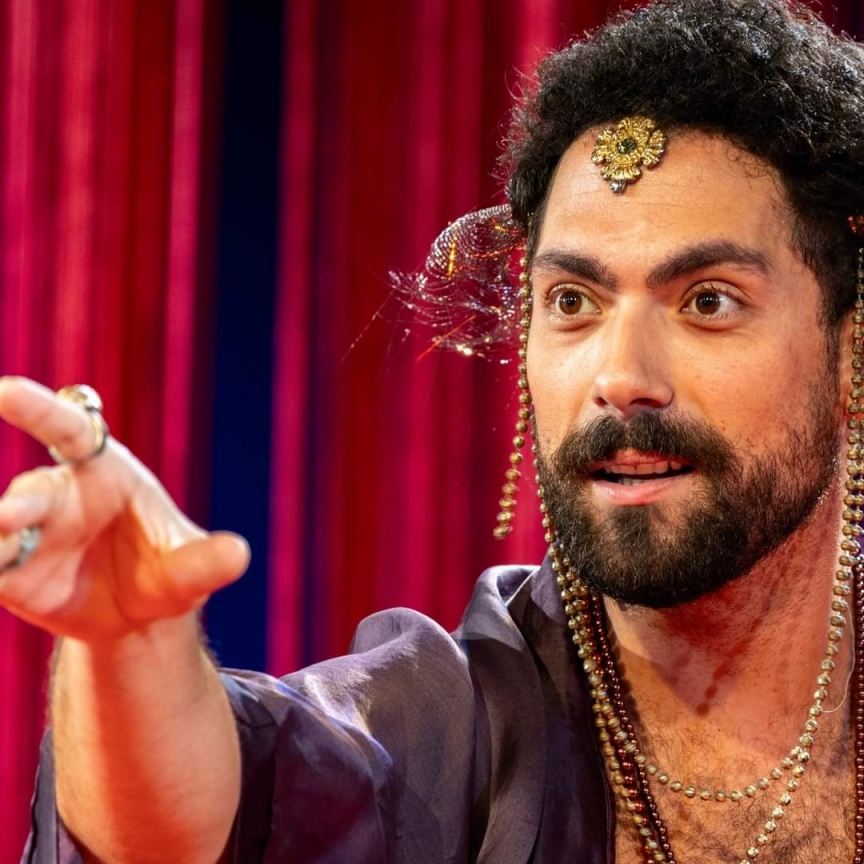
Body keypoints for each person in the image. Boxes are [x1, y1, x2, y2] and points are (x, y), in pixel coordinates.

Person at [14, 0, 864, 860]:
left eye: (707, 302)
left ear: (849, 350)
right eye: (573, 301)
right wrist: (125, 648)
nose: (619, 377)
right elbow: (208, 811)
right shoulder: (448, 725)